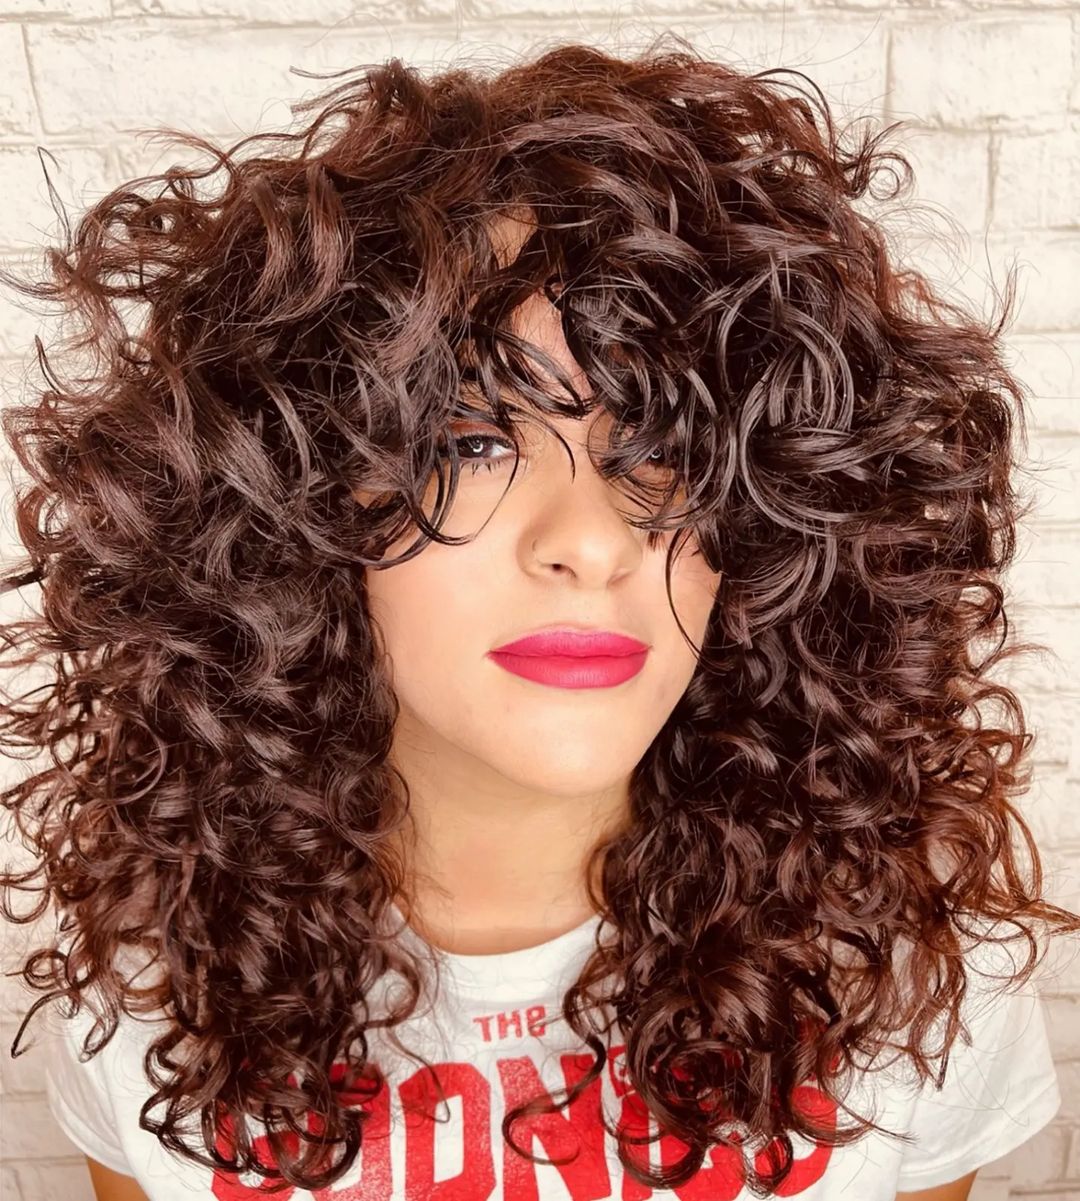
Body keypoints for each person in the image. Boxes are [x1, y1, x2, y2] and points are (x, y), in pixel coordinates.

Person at [0, 34, 1076, 1201]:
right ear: (302, 501)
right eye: (471, 443)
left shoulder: (901, 960)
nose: (591, 540)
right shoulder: (153, 981)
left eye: (663, 442)